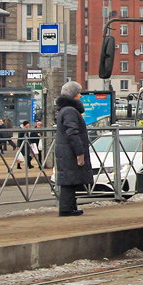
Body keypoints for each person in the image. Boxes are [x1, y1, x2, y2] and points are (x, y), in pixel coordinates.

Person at [54, 81, 92, 217]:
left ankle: (70, 207)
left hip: (65, 150)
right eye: (78, 93)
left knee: (70, 178)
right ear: (73, 95)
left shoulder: (64, 110)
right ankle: (66, 209)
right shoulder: (70, 111)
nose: (80, 95)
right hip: (69, 151)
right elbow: (72, 133)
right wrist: (79, 152)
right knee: (69, 180)